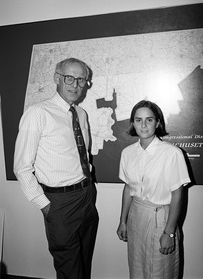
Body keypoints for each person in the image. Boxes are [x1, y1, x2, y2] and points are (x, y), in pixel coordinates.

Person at [14, 57, 99, 279]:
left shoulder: (81, 114)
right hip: (59, 203)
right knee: (69, 269)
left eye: (82, 80)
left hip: (86, 196)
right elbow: (22, 167)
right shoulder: (38, 113)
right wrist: (45, 205)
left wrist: (89, 188)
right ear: (56, 78)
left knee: (84, 261)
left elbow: (83, 155)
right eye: (69, 78)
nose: (75, 85)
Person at [117, 100, 191, 279]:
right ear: (133, 123)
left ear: (157, 123)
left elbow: (177, 193)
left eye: (149, 120)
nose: (143, 125)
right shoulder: (127, 153)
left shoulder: (172, 153)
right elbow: (128, 188)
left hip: (161, 219)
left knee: (160, 271)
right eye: (138, 120)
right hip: (136, 217)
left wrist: (170, 232)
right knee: (137, 269)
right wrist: (123, 221)